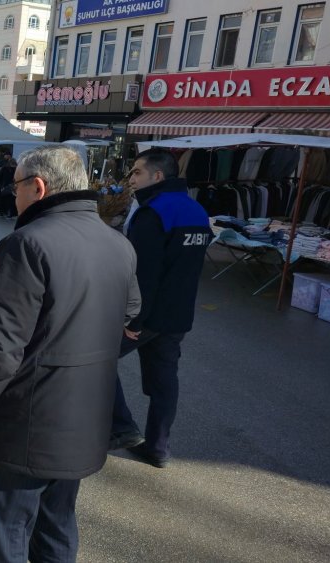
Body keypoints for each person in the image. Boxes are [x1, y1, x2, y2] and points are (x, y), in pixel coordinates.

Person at [0, 145, 140, 563]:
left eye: (16, 186)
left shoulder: (25, 244)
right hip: (86, 419)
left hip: (26, 426)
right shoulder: (117, 243)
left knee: (6, 538)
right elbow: (130, 312)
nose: (12, 194)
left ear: (38, 187)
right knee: (57, 529)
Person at [109, 148, 213, 468]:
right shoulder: (197, 211)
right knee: (165, 382)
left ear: (157, 176)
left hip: (148, 315)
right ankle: (158, 447)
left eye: (137, 172)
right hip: (177, 316)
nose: (132, 179)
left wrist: (134, 320)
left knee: (96, 360)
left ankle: (123, 428)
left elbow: (144, 274)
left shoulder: (153, 212)